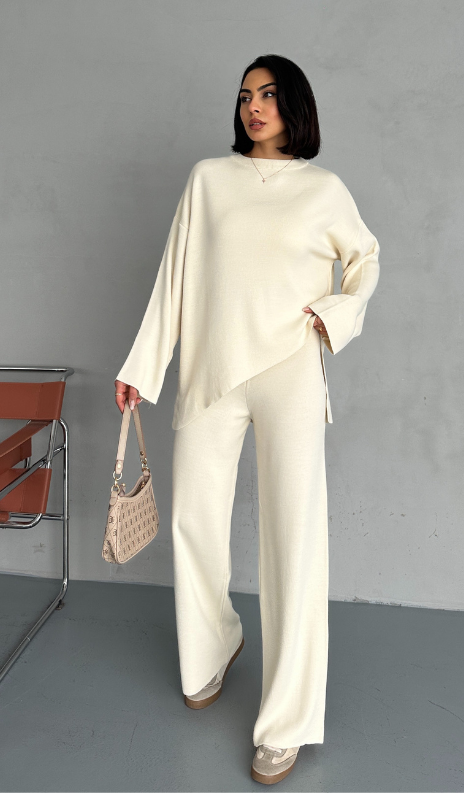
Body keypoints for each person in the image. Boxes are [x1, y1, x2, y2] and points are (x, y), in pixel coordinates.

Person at [114, 54, 380, 786]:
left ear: (294, 104)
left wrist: (333, 314)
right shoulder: (209, 179)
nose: (252, 107)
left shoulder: (325, 190)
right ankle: (212, 647)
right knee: (195, 520)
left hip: (291, 368)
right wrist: (142, 367)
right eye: (243, 96)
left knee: (294, 538)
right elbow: (174, 277)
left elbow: (365, 260)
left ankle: (286, 721)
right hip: (212, 367)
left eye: (267, 94)